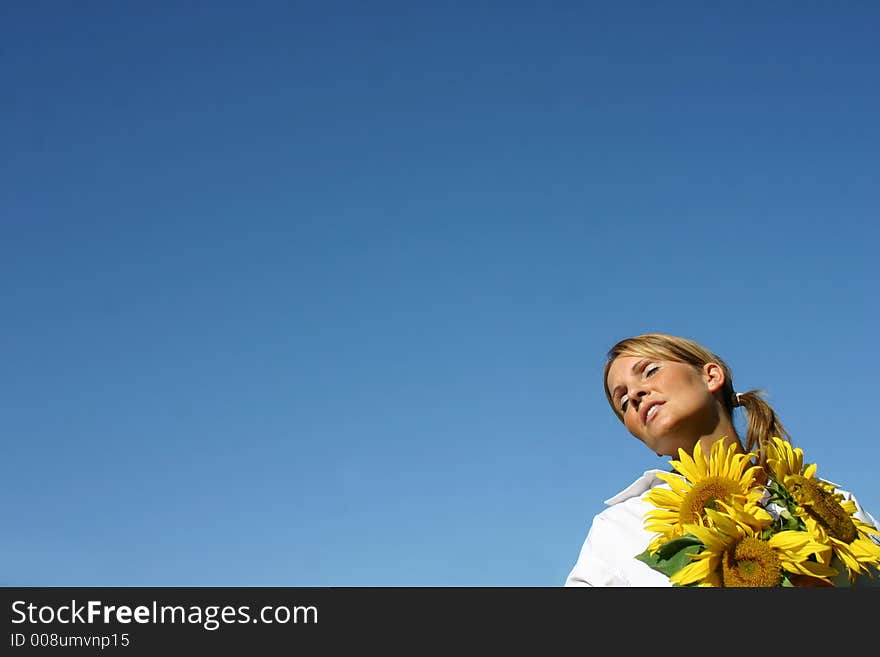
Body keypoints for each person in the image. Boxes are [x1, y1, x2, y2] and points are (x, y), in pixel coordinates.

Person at [564, 332, 880, 587]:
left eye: (650, 371)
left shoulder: (833, 505)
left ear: (711, 376)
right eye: (623, 402)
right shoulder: (621, 528)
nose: (635, 395)